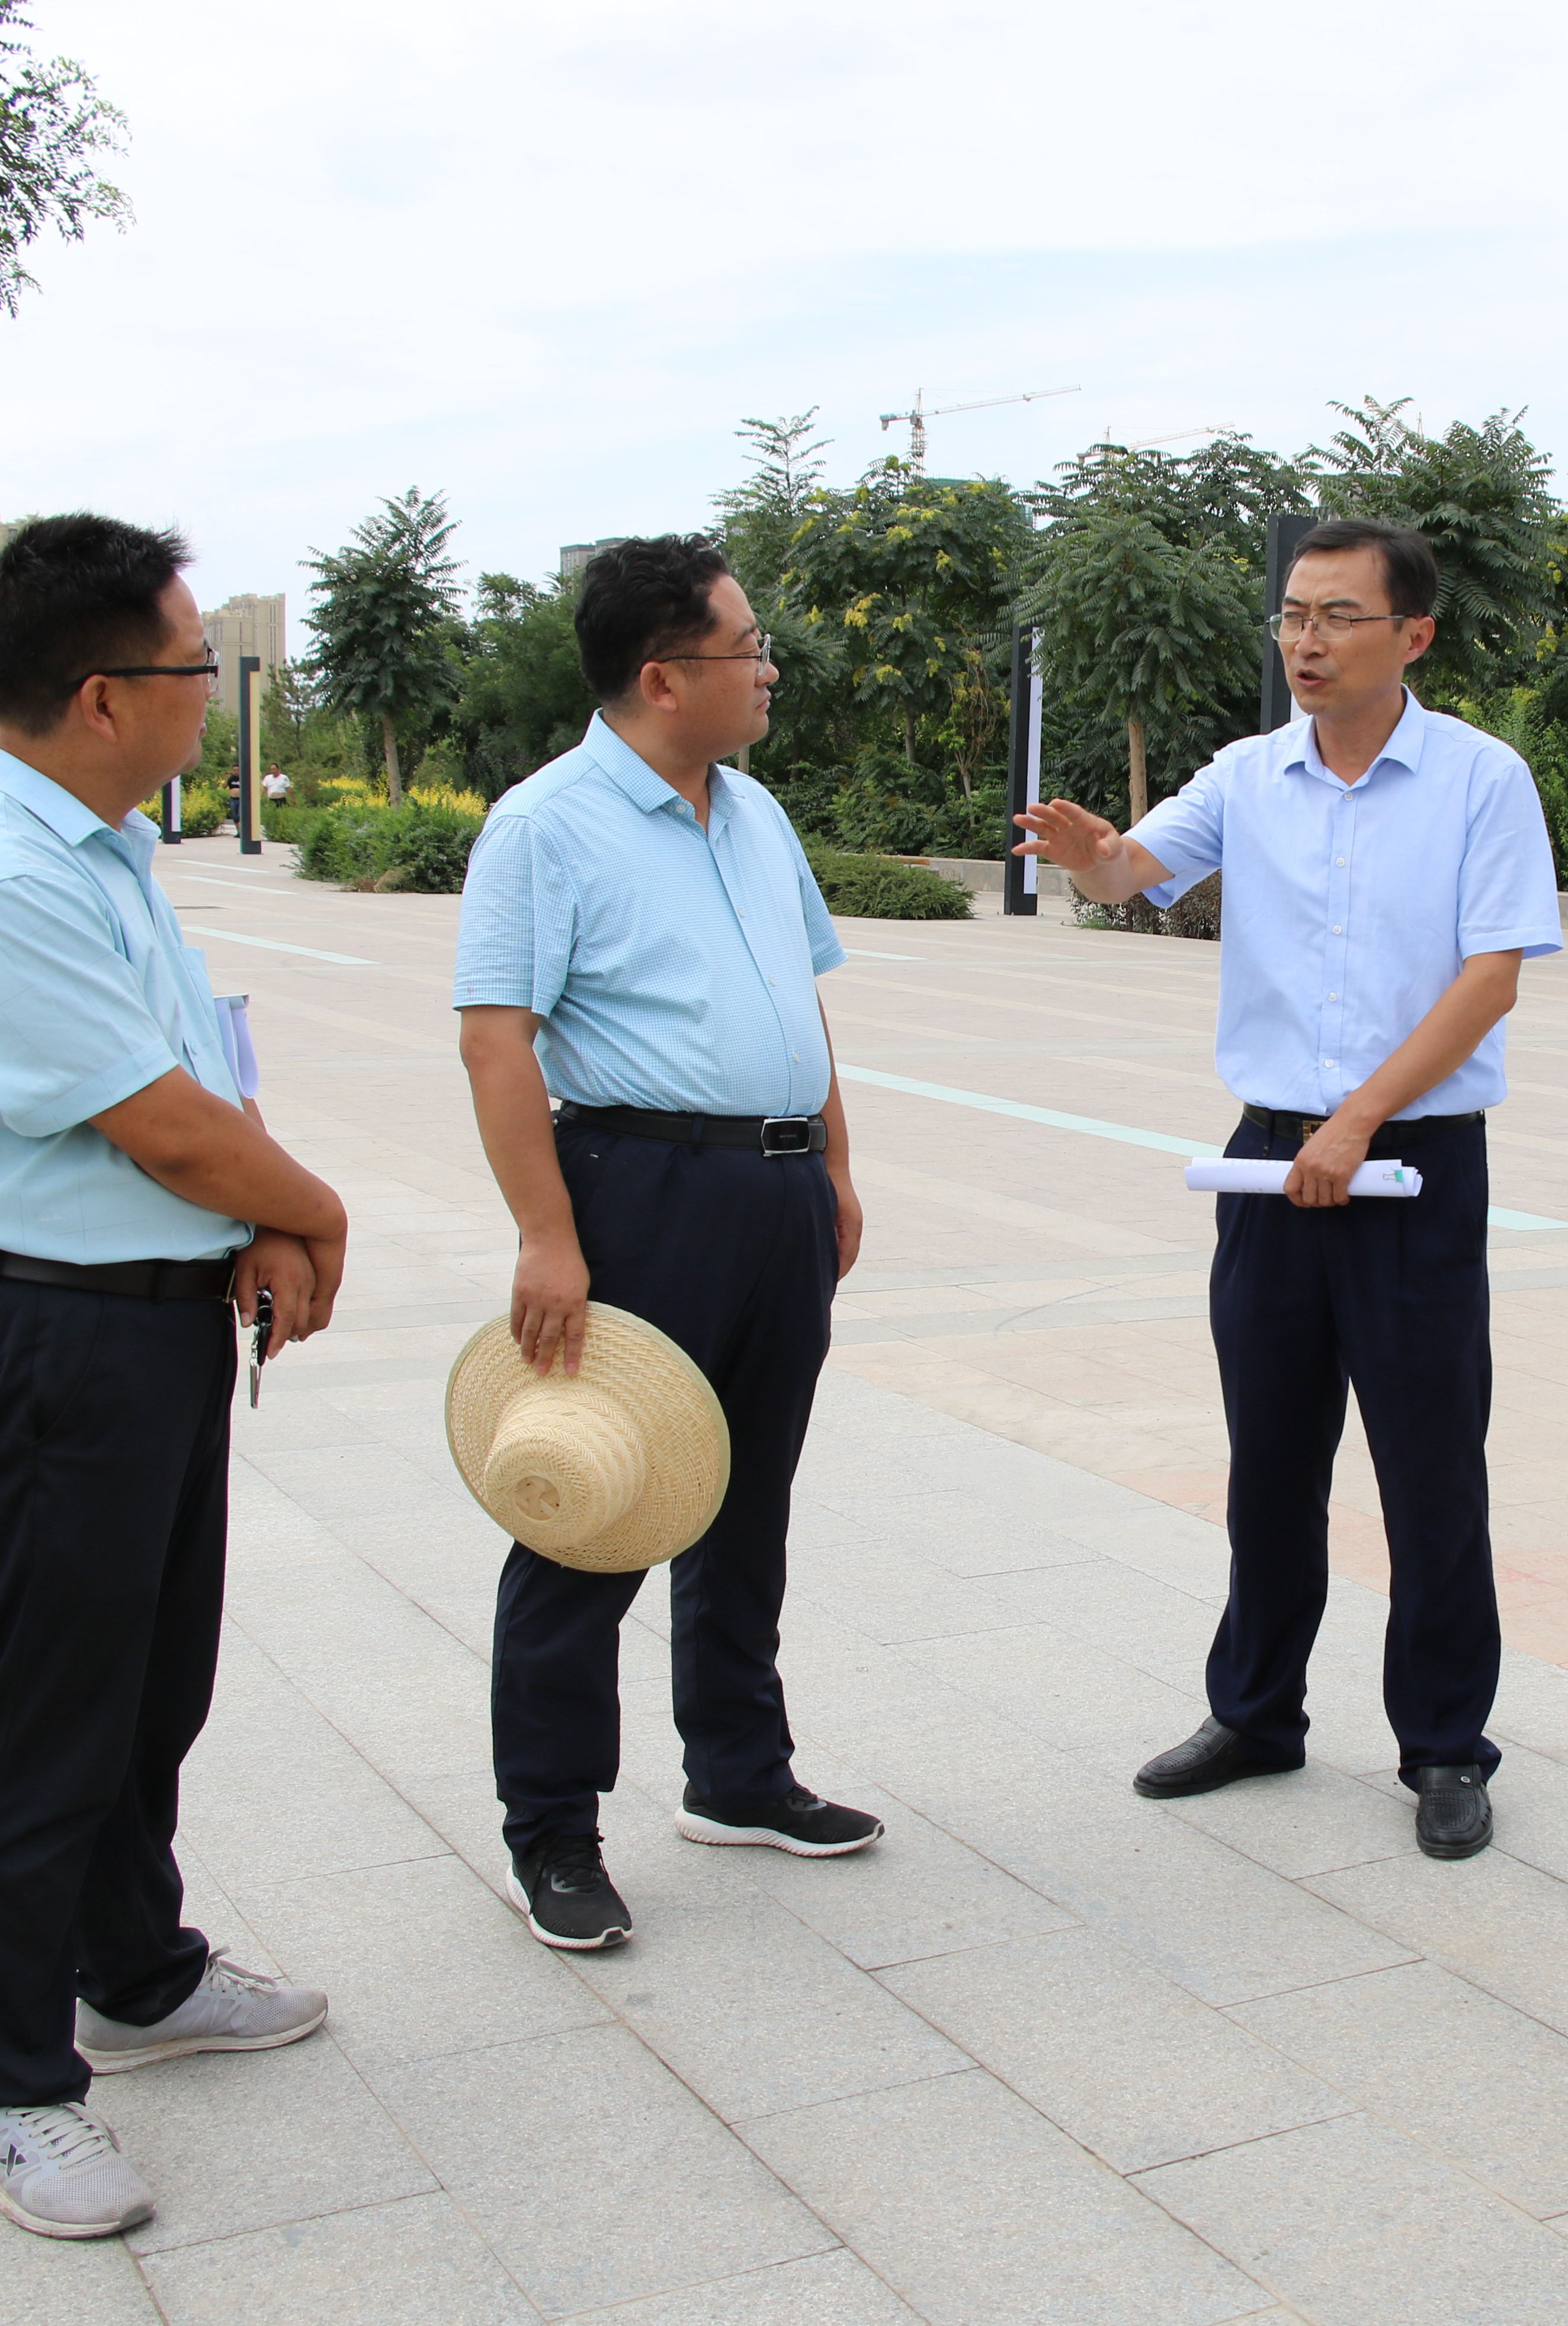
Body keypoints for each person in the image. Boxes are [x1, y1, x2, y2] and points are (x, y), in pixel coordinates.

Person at [0, 515, 348, 2240]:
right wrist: (315, 1208)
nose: (209, 693)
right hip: (50, 1333)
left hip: (150, 1319)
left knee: (148, 1689)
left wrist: (262, 1213)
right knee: (44, 1721)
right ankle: (7, 2089)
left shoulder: (103, 848)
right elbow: (156, 1125)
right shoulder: (0, 878)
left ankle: (136, 1973)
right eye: (192, 666)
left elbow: (201, 1069)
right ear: (99, 695)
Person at [1014, 516, 1563, 1859]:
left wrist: (1361, 1119)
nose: (1305, 642)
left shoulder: (1481, 780)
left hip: (1414, 1160)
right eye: (1293, 617)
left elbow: (1490, 976)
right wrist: (1091, 854)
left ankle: (1445, 1742)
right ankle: (1255, 1712)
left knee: (1430, 1467)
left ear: (1412, 634)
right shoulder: (1247, 774)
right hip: (1269, 1154)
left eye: (1336, 616)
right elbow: (1135, 870)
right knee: (1269, 1458)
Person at [453, 533, 876, 1953]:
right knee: (595, 1504)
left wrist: (833, 1164)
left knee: (744, 1496)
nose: (768, 670)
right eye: (746, 649)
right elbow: (497, 1041)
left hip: (775, 1193)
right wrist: (546, 1235)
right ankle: (552, 1827)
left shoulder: (752, 814)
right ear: (660, 676)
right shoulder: (545, 825)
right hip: (639, 1188)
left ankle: (739, 1771)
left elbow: (801, 1000)